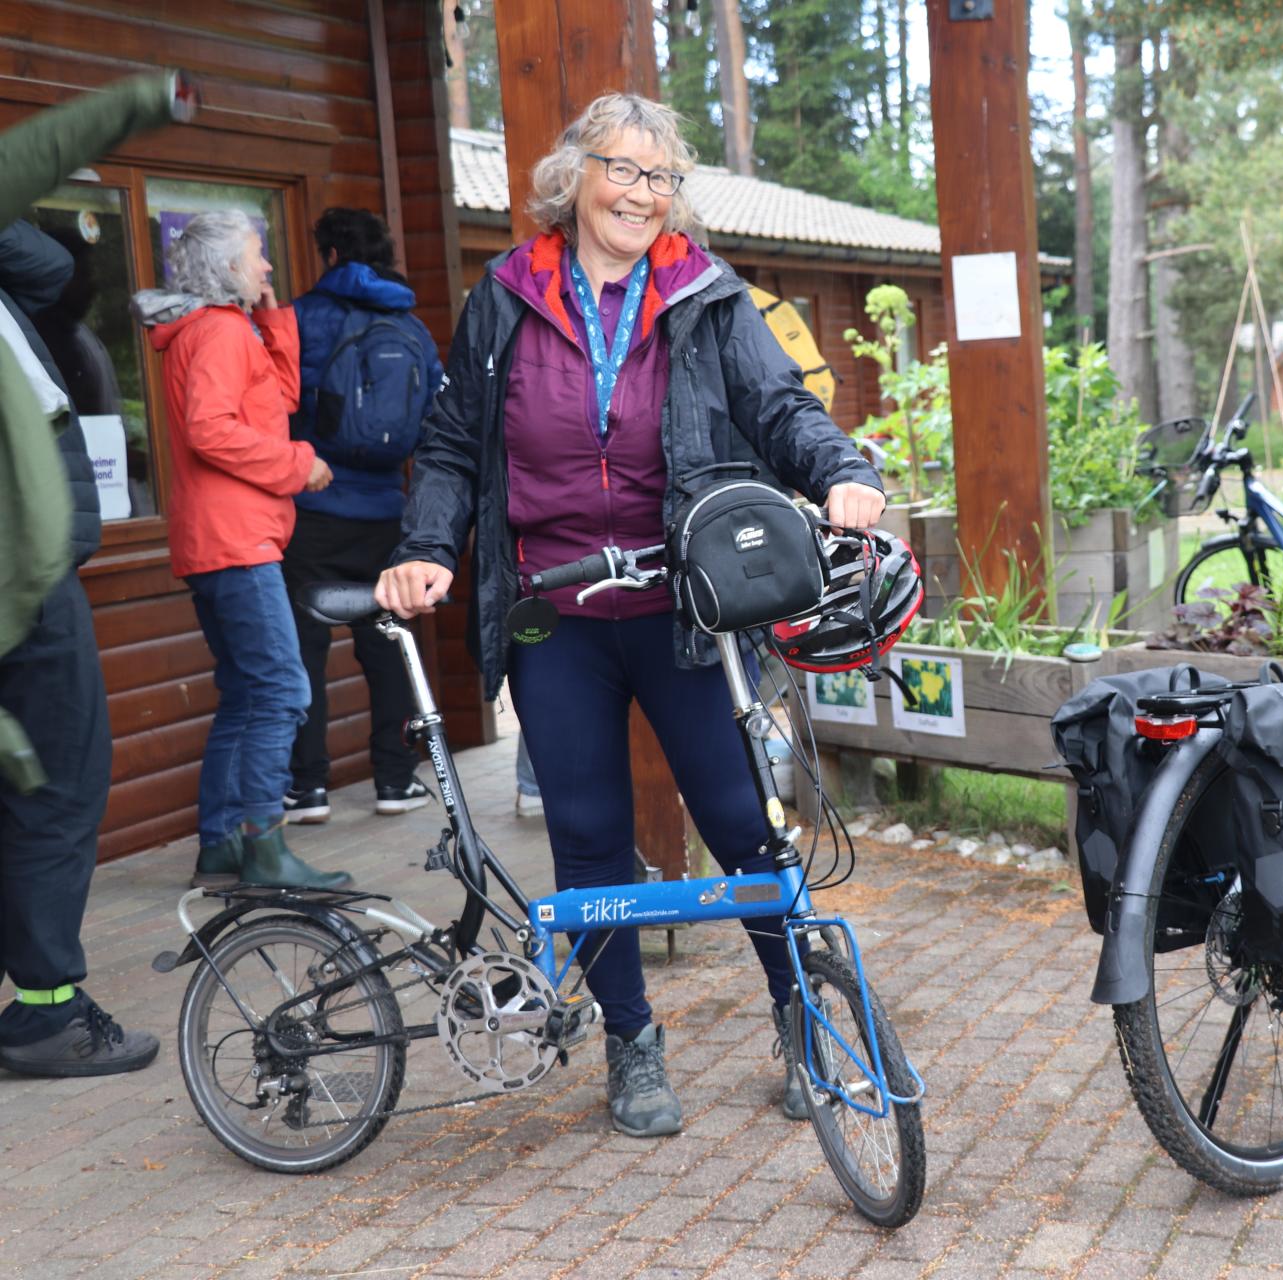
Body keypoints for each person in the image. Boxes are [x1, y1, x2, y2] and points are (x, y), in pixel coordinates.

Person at [374, 93, 885, 1139]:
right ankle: (631, 1038)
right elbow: (456, 441)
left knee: (745, 824)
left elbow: (777, 404)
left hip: (685, 602)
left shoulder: (704, 292)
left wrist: (839, 469)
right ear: (575, 178)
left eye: (663, 178)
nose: (645, 195)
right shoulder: (507, 298)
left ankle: (804, 1016)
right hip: (554, 612)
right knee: (590, 833)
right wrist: (425, 548)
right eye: (626, 171)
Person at [0, 72, 194, 1078]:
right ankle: (43, 1013)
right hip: (21, 587)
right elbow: (50, 258)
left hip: (30, 572)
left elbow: (50, 269)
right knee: (59, 783)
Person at [135, 212, 352, 890]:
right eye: (258, 258)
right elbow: (212, 430)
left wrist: (274, 313)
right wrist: (298, 466)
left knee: (245, 693)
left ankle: (221, 844)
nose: (266, 268)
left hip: (215, 538)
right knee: (283, 691)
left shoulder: (218, 331)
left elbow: (277, 395)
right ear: (227, 266)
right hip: (236, 539)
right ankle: (264, 846)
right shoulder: (221, 334)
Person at [281, 208, 441, 824]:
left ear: (327, 254)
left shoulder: (299, 319)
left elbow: (275, 401)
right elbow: (435, 413)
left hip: (312, 506)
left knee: (304, 651)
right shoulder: (410, 326)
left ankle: (308, 789)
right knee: (389, 645)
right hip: (385, 511)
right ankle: (395, 781)